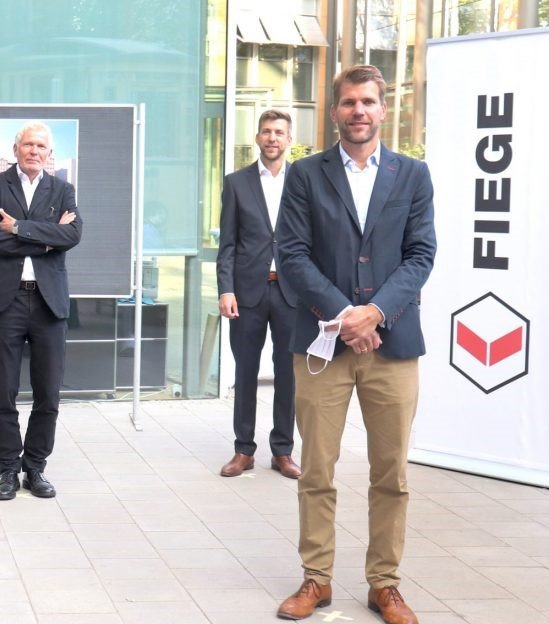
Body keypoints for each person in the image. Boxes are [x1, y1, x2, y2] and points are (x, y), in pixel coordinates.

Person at [273, 65, 436, 624]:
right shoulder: (305, 175)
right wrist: (345, 316)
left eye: (368, 101)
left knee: (391, 474)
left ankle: (384, 584)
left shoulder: (413, 175)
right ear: (335, 110)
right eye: (348, 102)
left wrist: (376, 313)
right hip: (323, 345)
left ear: (383, 109)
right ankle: (316, 580)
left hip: (393, 347)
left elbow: (421, 254)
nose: (358, 111)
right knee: (317, 469)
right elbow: (291, 255)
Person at [0, 120, 81, 501]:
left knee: (48, 391)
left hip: (48, 302)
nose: (34, 151)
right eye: (28, 145)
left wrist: (18, 228)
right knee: (2, 390)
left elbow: (73, 235)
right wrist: (47, 236)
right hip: (6, 301)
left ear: (48, 153)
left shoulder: (62, 189)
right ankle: (7, 470)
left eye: (41, 146)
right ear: (16, 148)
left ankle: (35, 467)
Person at [215, 109, 302, 480]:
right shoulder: (237, 182)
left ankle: (282, 451)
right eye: (266, 131)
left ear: (289, 139)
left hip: (291, 293)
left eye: (279, 132)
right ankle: (243, 450)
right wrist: (226, 288)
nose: (272, 138)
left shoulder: (304, 180)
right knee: (246, 371)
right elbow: (228, 243)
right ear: (257, 137)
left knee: (289, 374)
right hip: (247, 292)